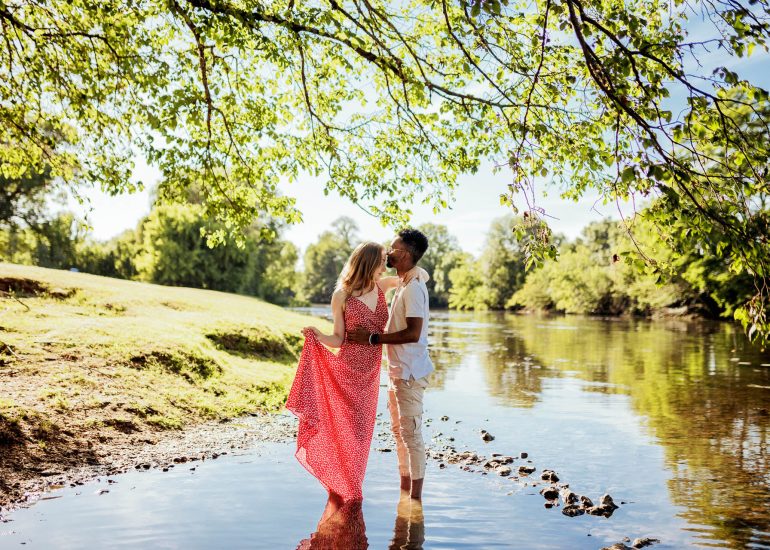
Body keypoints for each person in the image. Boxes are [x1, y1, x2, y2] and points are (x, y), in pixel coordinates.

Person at [286, 241, 392, 525]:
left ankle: (348, 484)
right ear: (369, 262)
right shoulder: (341, 295)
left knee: (360, 433)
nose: (386, 266)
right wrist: (317, 335)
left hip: (370, 377)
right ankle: (343, 486)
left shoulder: (383, 287)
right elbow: (337, 339)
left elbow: (421, 275)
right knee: (340, 428)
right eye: (383, 261)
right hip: (345, 370)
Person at [348, 229, 433, 501]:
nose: (388, 252)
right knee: (399, 433)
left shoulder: (415, 289)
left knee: (411, 436)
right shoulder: (407, 282)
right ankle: (404, 492)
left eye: (393, 248)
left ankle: (415, 502)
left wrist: (372, 339)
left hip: (409, 374)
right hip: (396, 373)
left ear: (406, 254)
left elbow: (413, 333)